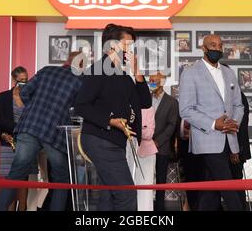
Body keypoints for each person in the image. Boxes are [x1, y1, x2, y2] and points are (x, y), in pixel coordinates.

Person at [0, 52, 84, 211]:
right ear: (81, 65)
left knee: (15, 175)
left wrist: (34, 111)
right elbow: (79, 111)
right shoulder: (79, 82)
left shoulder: (46, 70)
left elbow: (24, 92)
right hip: (54, 133)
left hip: (30, 126)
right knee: (61, 179)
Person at [75, 24, 152, 211]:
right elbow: (81, 105)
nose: (131, 50)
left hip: (115, 142)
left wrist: (137, 72)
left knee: (109, 196)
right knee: (126, 194)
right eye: (127, 45)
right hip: (99, 139)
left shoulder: (124, 77)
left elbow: (145, 102)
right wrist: (110, 120)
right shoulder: (98, 70)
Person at [179, 34, 244, 211]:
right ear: (204, 48)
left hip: (228, 139)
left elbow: (239, 105)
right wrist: (215, 124)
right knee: (229, 188)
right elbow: (185, 110)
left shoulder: (229, 72)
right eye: (213, 45)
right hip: (206, 139)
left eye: (220, 45)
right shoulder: (190, 73)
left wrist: (232, 123)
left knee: (211, 192)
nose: (217, 48)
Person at [0, 66, 30, 211]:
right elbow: (0, 121)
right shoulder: (3, 96)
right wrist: (6, 134)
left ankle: (22, 208)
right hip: (8, 143)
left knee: (23, 181)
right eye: (21, 80)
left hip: (27, 144)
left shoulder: (31, 96)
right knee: (9, 182)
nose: (24, 82)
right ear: (13, 80)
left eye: (26, 79)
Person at [148, 71, 180, 211]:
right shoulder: (145, 99)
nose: (152, 82)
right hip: (145, 147)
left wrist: (157, 141)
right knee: (146, 181)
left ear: (162, 82)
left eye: (155, 80)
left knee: (160, 182)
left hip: (162, 148)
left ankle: (159, 210)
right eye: (150, 80)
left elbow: (172, 125)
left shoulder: (172, 102)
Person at [126, 107, 158, 211]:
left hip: (145, 155)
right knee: (127, 191)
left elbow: (149, 133)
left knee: (144, 192)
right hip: (127, 152)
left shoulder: (148, 108)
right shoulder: (125, 105)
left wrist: (132, 128)